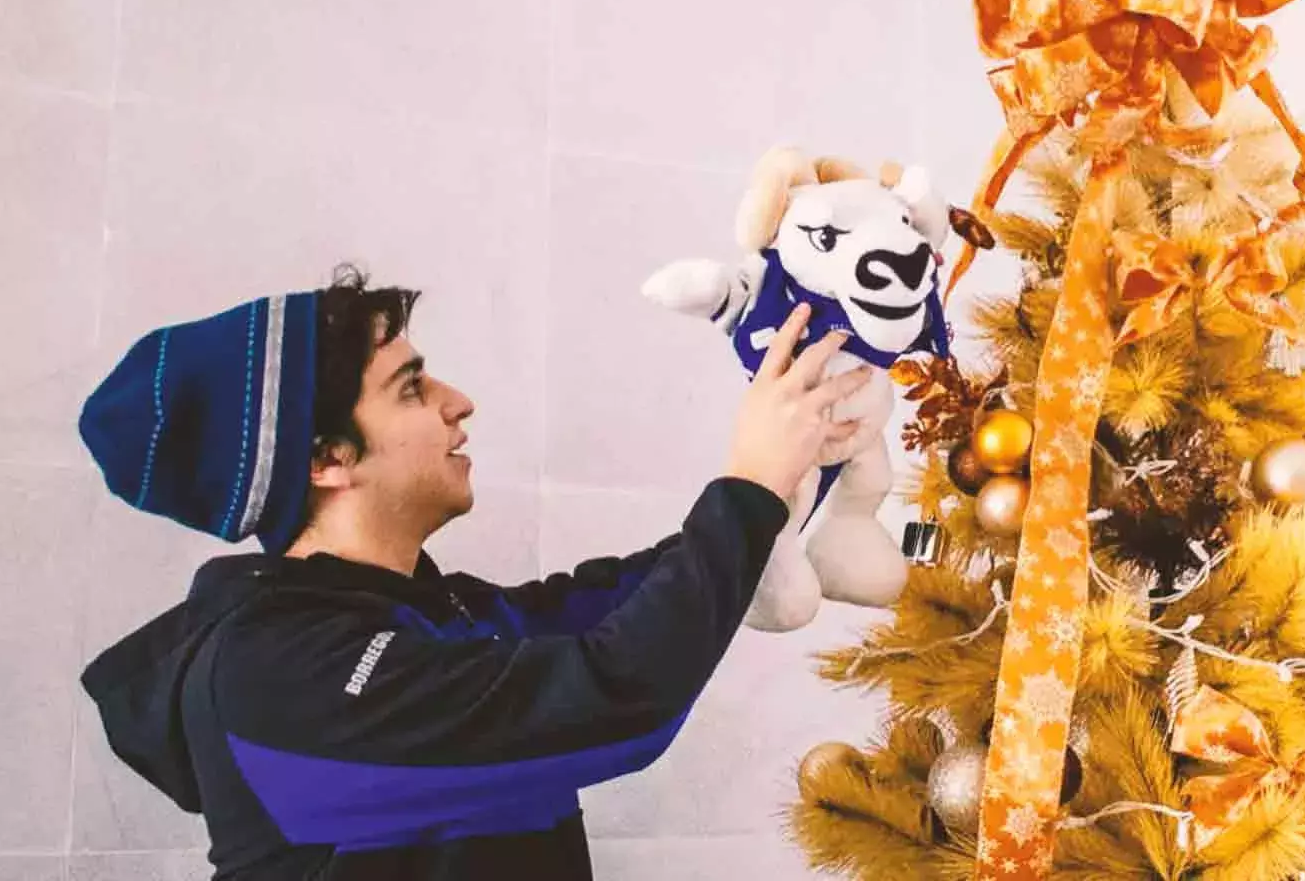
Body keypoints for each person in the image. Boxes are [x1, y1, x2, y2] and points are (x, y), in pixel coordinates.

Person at [77, 266, 872, 879]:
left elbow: (615, 608)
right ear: (324, 458)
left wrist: (792, 478)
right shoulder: (273, 671)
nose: (459, 402)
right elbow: (618, 695)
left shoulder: (423, 611)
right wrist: (748, 488)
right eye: (411, 387)